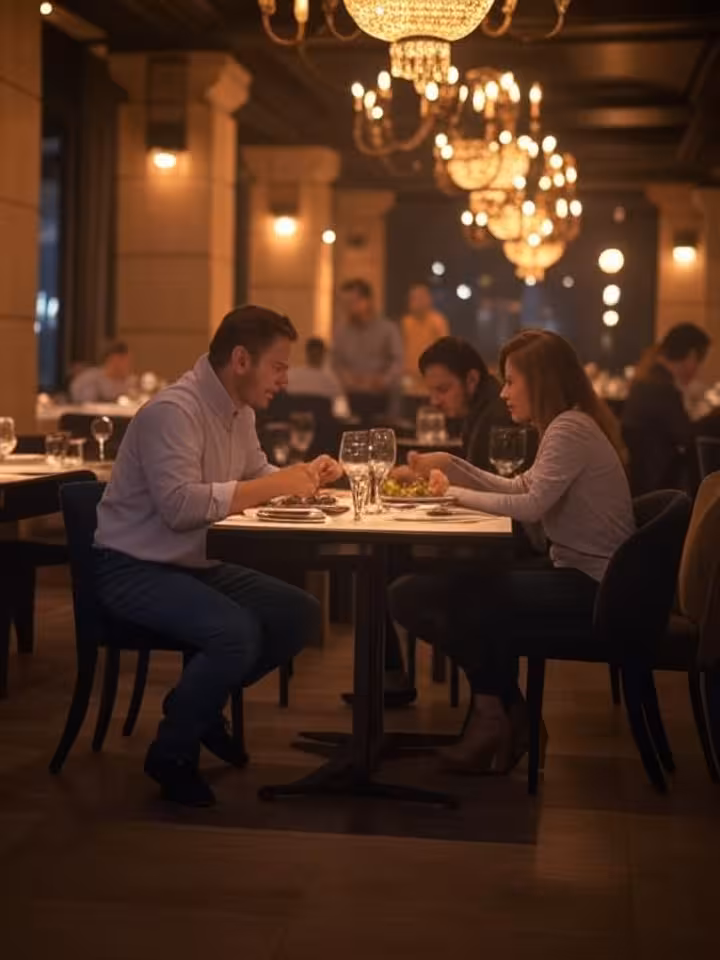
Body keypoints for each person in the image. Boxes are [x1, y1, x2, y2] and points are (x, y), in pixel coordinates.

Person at [94, 306, 342, 807]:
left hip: (193, 562)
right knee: (237, 633)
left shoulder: (239, 412)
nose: (286, 380)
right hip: (131, 565)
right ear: (242, 360)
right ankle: (171, 752)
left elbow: (256, 473)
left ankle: (196, 701)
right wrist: (275, 483)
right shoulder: (173, 412)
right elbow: (180, 507)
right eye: (279, 367)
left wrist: (304, 481)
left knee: (301, 613)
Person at [389, 330, 635, 774]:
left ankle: (495, 716)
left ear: (539, 380)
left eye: (510, 381)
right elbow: (523, 486)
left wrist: (452, 496)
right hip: (586, 574)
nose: (502, 392)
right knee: (462, 588)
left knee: (469, 593)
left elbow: (529, 507)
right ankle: (506, 713)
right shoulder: (567, 423)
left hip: (597, 586)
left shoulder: (569, 428)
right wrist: (452, 464)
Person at [342, 338, 519, 710]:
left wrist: (428, 480)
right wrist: (422, 477)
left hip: (502, 551)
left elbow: (489, 488)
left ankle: (488, 696)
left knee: (380, 569)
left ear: (471, 379)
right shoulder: (483, 409)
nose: (435, 400)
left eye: (443, 389)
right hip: (491, 540)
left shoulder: (495, 416)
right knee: (381, 562)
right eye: (431, 391)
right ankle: (390, 677)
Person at [622, 323, 711, 494]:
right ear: (691, 356)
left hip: (641, 480)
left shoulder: (647, 379)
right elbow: (687, 436)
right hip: (660, 486)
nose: (698, 370)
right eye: (700, 360)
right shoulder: (661, 388)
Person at [332, 278, 403, 420]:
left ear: (368, 301)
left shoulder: (388, 330)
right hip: (350, 400)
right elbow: (335, 362)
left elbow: (397, 361)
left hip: (382, 401)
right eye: (344, 303)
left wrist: (383, 381)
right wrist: (345, 378)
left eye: (352, 302)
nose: (347, 307)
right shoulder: (341, 332)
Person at [402, 283, 449, 391]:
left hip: (431, 377)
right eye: (412, 298)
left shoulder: (438, 321)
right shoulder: (406, 322)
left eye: (418, 298)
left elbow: (444, 350)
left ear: (428, 300)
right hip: (410, 377)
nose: (414, 302)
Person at [287, 337, 346, 406]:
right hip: (321, 416)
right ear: (324, 354)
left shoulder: (291, 375)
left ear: (306, 353)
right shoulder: (331, 381)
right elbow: (341, 409)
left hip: (293, 415)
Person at [69, 341, 134, 404]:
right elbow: (86, 403)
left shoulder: (126, 381)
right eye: (125, 360)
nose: (127, 364)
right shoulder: (91, 378)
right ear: (113, 359)